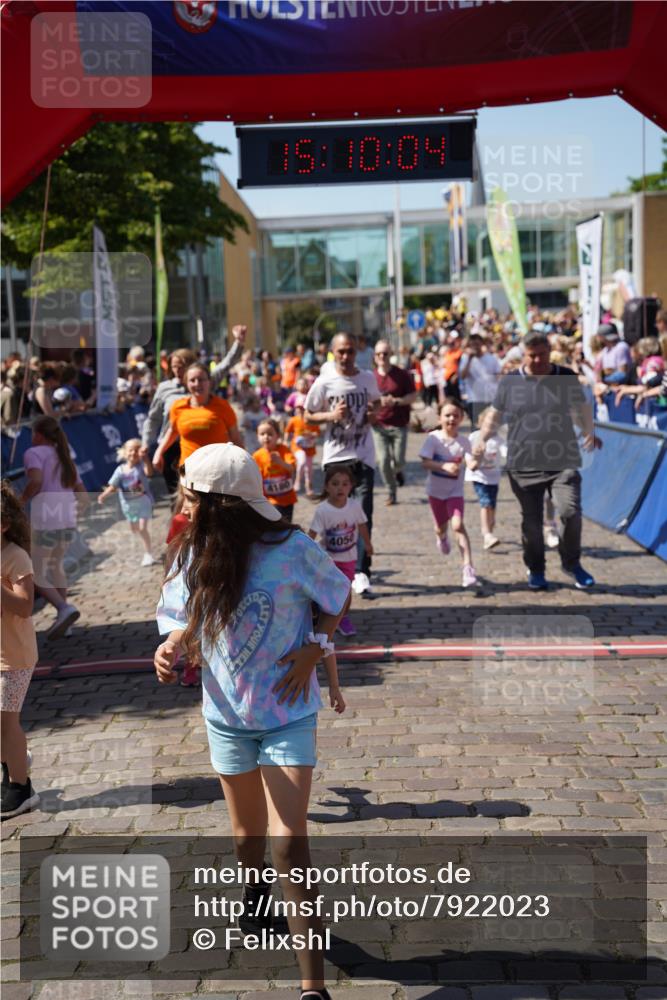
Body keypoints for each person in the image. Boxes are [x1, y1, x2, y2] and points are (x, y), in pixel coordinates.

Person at [154, 443, 349, 997]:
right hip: (225, 718)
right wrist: (169, 648)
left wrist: (316, 647)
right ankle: (254, 892)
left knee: (290, 844)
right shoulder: (192, 553)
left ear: (220, 504)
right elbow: (178, 619)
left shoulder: (292, 549)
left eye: (190, 498)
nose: (182, 506)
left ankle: (313, 986)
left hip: (288, 717)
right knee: (248, 839)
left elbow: (338, 596)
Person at [474, 330, 601, 590]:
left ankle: (571, 562)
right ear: (524, 355)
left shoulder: (565, 376)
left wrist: (589, 430)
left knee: (570, 511)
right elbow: (495, 415)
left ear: (549, 351)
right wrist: (482, 439)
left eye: (542, 354)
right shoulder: (511, 381)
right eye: (532, 356)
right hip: (524, 463)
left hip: (562, 459)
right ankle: (536, 568)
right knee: (531, 522)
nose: (537, 360)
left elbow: (581, 407)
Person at [305, 332, 381, 595]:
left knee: (363, 515)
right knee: (336, 518)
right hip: (337, 458)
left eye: (349, 351)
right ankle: (334, 568)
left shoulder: (367, 377)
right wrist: (331, 415)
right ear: (333, 352)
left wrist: (373, 412)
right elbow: (308, 414)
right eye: (341, 352)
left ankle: (361, 571)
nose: (346, 357)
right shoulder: (325, 381)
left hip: (364, 456)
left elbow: (377, 402)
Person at [141, 326, 246, 491]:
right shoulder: (165, 388)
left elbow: (227, 364)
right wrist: (147, 443)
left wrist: (238, 343)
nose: (177, 371)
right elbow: (153, 418)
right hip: (172, 447)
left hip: (203, 446)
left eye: (181, 366)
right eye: (174, 366)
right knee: (177, 494)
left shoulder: (204, 381)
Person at [21, 416, 86, 639]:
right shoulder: (65, 456)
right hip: (66, 517)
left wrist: (20, 501)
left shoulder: (33, 453)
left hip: (45, 518)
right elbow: (83, 494)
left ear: (38, 434)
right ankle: (64, 620)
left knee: (36, 571)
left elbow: (36, 481)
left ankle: (63, 608)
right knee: (55, 565)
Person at [1, 480, 40, 819]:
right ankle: (12, 766)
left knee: (6, 722)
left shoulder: (15, 557)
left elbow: (25, 606)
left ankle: (21, 788)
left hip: (12, 658)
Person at [309, 464, 372, 638]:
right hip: (328, 560)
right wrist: (304, 550)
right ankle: (324, 618)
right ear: (327, 487)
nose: (340, 488)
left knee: (346, 590)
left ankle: (343, 617)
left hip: (348, 558)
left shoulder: (354, 506)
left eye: (345, 484)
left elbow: (362, 525)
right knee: (326, 590)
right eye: (335, 483)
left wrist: (367, 544)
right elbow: (312, 533)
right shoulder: (323, 510)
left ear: (351, 486)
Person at [420, 399, 477, 589]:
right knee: (440, 527)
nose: (451, 419)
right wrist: (444, 465)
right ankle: (442, 537)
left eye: (456, 415)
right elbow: (425, 462)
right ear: (440, 418)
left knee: (458, 525)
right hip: (435, 492)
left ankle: (468, 568)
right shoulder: (433, 439)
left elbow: (470, 462)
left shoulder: (464, 441)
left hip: (455, 492)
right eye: (447, 415)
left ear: (462, 418)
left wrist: (477, 459)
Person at [152, 363, 244, 473]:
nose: (197, 384)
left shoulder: (223, 406)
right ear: (186, 383)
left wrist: (243, 464)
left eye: (201, 380)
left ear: (209, 382)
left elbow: (236, 438)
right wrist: (159, 452)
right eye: (192, 380)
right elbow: (172, 431)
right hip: (188, 471)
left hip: (218, 471)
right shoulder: (178, 407)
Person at [98, 438, 156, 567]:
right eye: (131, 450)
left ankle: (148, 554)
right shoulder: (120, 470)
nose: (134, 453)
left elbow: (149, 473)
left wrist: (146, 459)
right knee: (135, 529)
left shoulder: (141, 466)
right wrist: (103, 495)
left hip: (144, 502)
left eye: (137, 450)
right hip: (128, 505)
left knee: (142, 528)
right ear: (125, 452)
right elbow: (113, 486)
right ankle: (143, 541)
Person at [372, 340, 417, 505]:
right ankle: (391, 492)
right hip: (379, 425)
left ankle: (398, 471)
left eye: (385, 353)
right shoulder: (371, 377)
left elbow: (413, 396)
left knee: (399, 460)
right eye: (379, 354)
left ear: (390, 354)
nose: (382, 356)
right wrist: (377, 404)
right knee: (383, 461)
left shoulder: (401, 374)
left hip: (399, 424)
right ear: (375, 357)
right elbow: (367, 400)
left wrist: (396, 401)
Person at [465, 406, 507, 550]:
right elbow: (467, 453)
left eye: (496, 423)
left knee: (492, 506)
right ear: (480, 422)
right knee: (486, 503)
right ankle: (486, 533)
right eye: (488, 423)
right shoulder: (475, 437)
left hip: (493, 477)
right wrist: (472, 462)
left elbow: (506, 453)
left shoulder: (499, 439)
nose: (492, 427)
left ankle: (489, 530)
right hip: (479, 476)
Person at [252, 418, 298, 523]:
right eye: (262, 434)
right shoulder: (257, 456)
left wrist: (280, 462)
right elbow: (255, 477)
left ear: (278, 435)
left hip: (287, 498)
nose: (266, 437)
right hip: (270, 500)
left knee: (286, 525)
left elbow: (292, 468)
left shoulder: (284, 450)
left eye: (270, 434)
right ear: (257, 436)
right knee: (275, 524)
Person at [458, 334, 501, 425]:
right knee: (476, 429)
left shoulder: (491, 358)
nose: (475, 347)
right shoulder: (465, 359)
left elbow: (498, 376)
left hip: (491, 399)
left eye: (477, 344)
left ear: (482, 344)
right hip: (474, 400)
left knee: (491, 428)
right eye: (472, 345)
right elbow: (462, 376)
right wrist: (469, 360)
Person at [285, 403, 319, 498]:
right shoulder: (294, 420)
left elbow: (317, 433)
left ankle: (308, 487)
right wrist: (285, 441)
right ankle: (297, 481)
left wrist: (311, 434)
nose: (300, 412)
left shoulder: (312, 421)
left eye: (302, 410)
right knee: (302, 461)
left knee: (309, 469)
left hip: (310, 447)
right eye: (298, 410)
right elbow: (287, 432)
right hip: (298, 447)